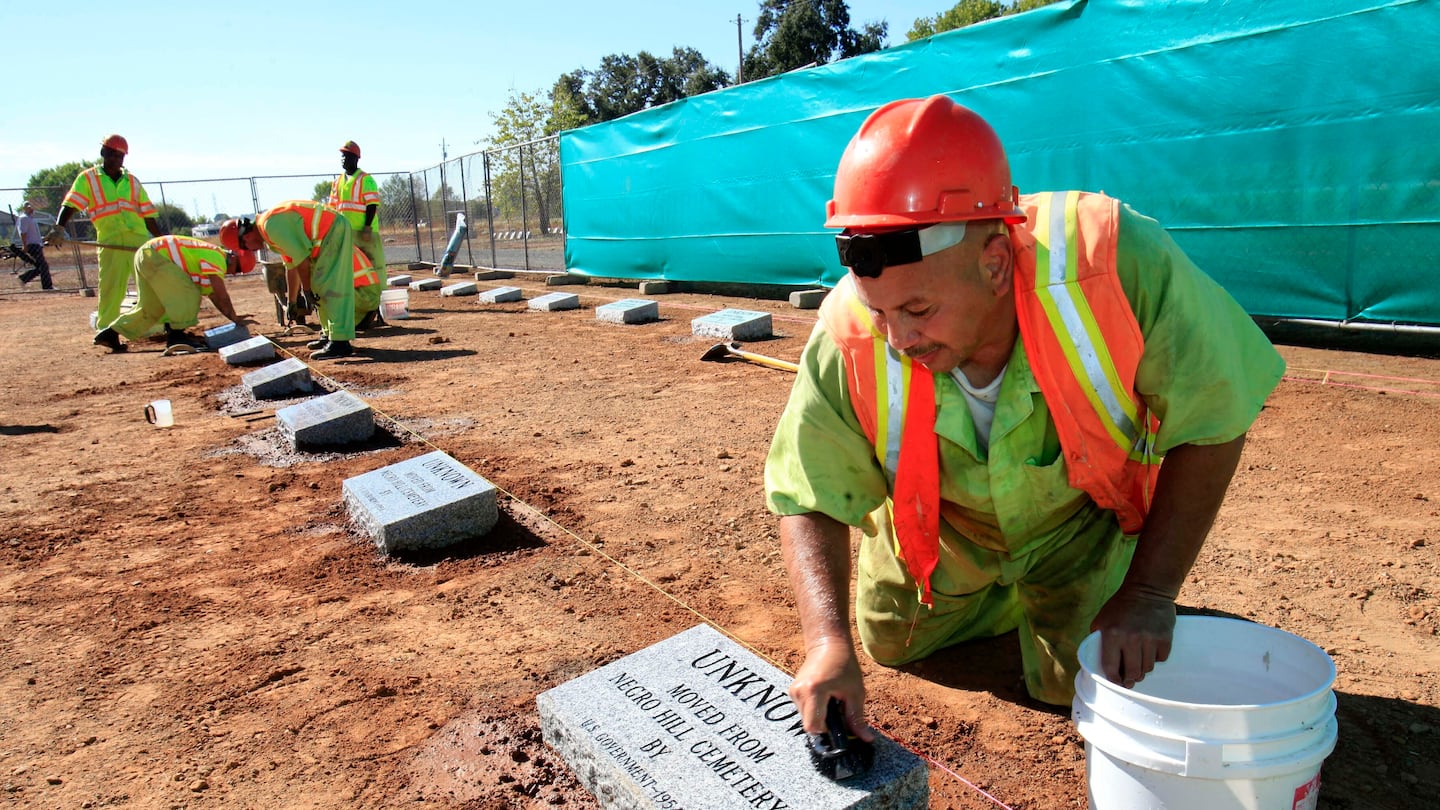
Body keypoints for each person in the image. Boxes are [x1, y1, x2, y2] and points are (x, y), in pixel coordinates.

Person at [764, 95, 1286, 741]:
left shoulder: (1114, 263)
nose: (898, 339)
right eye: (881, 312)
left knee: (1097, 686)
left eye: (920, 310)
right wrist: (825, 643)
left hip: (1081, 524)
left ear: (994, 262)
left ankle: (1092, 588)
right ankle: (992, 593)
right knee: (889, 645)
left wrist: (1149, 595)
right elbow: (807, 489)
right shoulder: (849, 327)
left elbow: (1213, 418)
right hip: (948, 533)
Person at [45, 135, 165, 328]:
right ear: (103, 153)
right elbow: (71, 204)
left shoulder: (132, 181)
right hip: (110, 241)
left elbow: (148, 214)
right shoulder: (88, 179)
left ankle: (160, 327)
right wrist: (59, 227)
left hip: (138, 241)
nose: (116, 160)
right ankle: (107, 331)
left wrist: (161, 240)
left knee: (151, 285)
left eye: (120, 156)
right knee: (111, 288)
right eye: (112, 155)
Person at [221, 200, 357, 360]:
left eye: (244, 248)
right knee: (318, 286)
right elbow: (291, 266)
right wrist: (291, 302)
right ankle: (329, 335)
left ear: (247, 236)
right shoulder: (268, 233)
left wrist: (306, 290)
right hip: (329, 231)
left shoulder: (270, 226)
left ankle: (340, 342)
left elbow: (302, 260)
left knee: (326, 285)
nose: (249, 251)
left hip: (333, 229)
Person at [92, 235, 253, 354]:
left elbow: (214, 296)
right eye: (237, 270)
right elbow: (221, 295)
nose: (233, 274)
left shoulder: (210, 258)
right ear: (233, 259)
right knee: (190, 294)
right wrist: (236, 318)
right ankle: (176, 336)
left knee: (151, 308)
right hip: (156, 256)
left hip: (147, 256)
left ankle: (111, 333)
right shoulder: (217, 257)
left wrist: (233, 319)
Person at [328, 140, 387, 329]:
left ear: (355, 158)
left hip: (364, 233)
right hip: (345, 234)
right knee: (353, 273)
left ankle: (377, 309)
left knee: (373, 270)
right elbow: (333, 208)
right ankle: (360, 310)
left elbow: (371, 205)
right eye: (342, 156)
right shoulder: (337, 182)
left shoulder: (365, 179)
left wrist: (367, 228)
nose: (343, 160)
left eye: (346, 156)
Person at [15, 201, 53, 289]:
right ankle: (47, 286)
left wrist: (44, 239)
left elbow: (33, 234)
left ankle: (23, 278)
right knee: (43, 265)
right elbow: (23, 233)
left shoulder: (31, 218)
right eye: (28, 207)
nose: (31, 209)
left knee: (40, 266)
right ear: (24, 208)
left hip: (36, 244)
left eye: (31, 207)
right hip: (31, 245)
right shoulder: (24, 218)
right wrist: (24, 245)